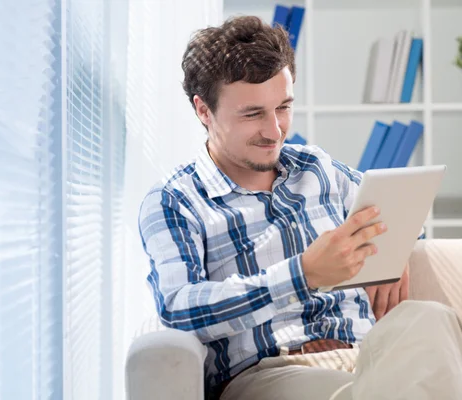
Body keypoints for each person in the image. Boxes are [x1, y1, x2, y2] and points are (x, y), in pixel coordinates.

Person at [137, 15, 462, 400]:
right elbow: (179, 308)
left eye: (284, 107)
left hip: (369, 357)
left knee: (429, 318)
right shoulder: (176, 200)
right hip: (273, 373)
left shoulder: (316, 167)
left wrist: (393, 251)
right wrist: (303, 273)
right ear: (203, 111)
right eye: (253, 114)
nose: (275, 130)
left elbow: (399, 210)